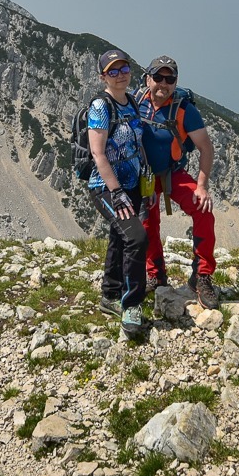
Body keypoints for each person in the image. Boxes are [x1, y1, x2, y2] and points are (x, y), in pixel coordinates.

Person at [136, 55, 219, 308]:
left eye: (170, 78)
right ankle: (156, 274)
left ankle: (201, 276)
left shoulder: (185, 110)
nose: (164, 83)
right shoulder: (135, 103)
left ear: (175, 82)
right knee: (147, 222)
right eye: (158, 77)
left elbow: (206, 148)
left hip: (173, 173)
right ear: (148, 78)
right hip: (145, 175)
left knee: (203, 210)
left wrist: (202, 186)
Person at [86, 49, 150, 340]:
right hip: (107, 188)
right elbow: (98, 155)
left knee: (120, 236)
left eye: (123, 68)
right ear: (103, 77)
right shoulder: (101, 106)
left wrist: (143, 184)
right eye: (113, 71)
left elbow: (137, 145)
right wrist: (118, 193)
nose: (120, 74)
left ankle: (109, 294)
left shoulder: (132, 102)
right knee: (136, 237)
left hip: (133, 185)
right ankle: (131, 305)